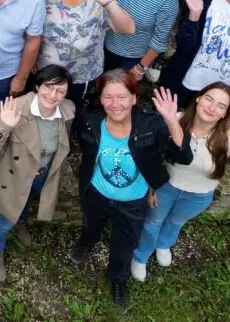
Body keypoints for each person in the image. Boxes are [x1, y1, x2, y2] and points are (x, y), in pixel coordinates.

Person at [131, 84, 230, 282]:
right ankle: (141, 255)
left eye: (221, 106)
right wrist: (151, 187)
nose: (212, 108)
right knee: (152, 221)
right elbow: (152, 157)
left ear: (224, 114)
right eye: (209, 99)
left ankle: (163, 244)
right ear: (198, 98)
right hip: (165, 187)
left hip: (198, 196)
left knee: (176, 222)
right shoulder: (174, 119)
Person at [70, 69, 192, 309]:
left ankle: (118, 280)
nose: (115, 104)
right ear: (100, 99)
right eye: (108, 97)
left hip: (133, 202)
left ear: (134, 98)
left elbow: (183, 156)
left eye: (122, 97)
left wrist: (171, 120)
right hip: (96, 194)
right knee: (90, 224)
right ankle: (87, 242)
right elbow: (87, 154)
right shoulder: (91, 122)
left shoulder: (150, 123)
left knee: (124, 245)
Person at [0, 66, 76, 282]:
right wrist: (4, 125)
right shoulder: (16, 108)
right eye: (48, 87)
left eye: (60, 91)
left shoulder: (68, 109)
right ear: (37, 86)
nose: (53, 95)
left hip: (41, 173)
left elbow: (62, 144)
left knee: (29, 200)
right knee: (5, 221)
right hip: (14, 177)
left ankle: (21, 222)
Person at [37, 0, 135, 111]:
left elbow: (128, 29)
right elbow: (33, 24)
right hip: (45, 70)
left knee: (70, 112)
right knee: (41, 109)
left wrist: (108, 2)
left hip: (80, 77)